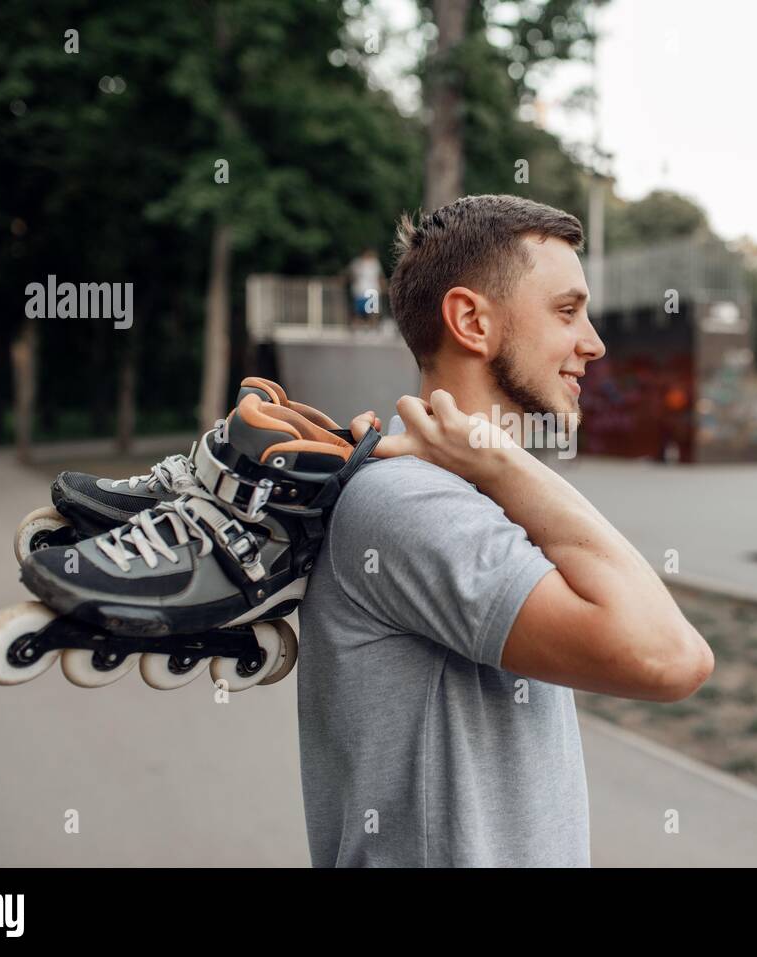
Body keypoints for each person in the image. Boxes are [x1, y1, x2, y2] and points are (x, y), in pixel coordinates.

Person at [299, 195, 714, 867]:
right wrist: (501, 458)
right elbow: (673, 659)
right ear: (470, 320)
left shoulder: (468, 488)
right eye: (566, 310)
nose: (594, 342)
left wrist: (499, 464)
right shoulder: (411, 501)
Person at [347, 247, 385, 330]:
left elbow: (380, 276)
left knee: (373, 312)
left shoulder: (375, 263)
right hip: (360, 291)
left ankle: (373, 328)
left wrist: (383, 287)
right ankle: (356, 328)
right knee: (358, 312)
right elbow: (350, 276)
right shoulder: (357, 263)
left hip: (372, 290)